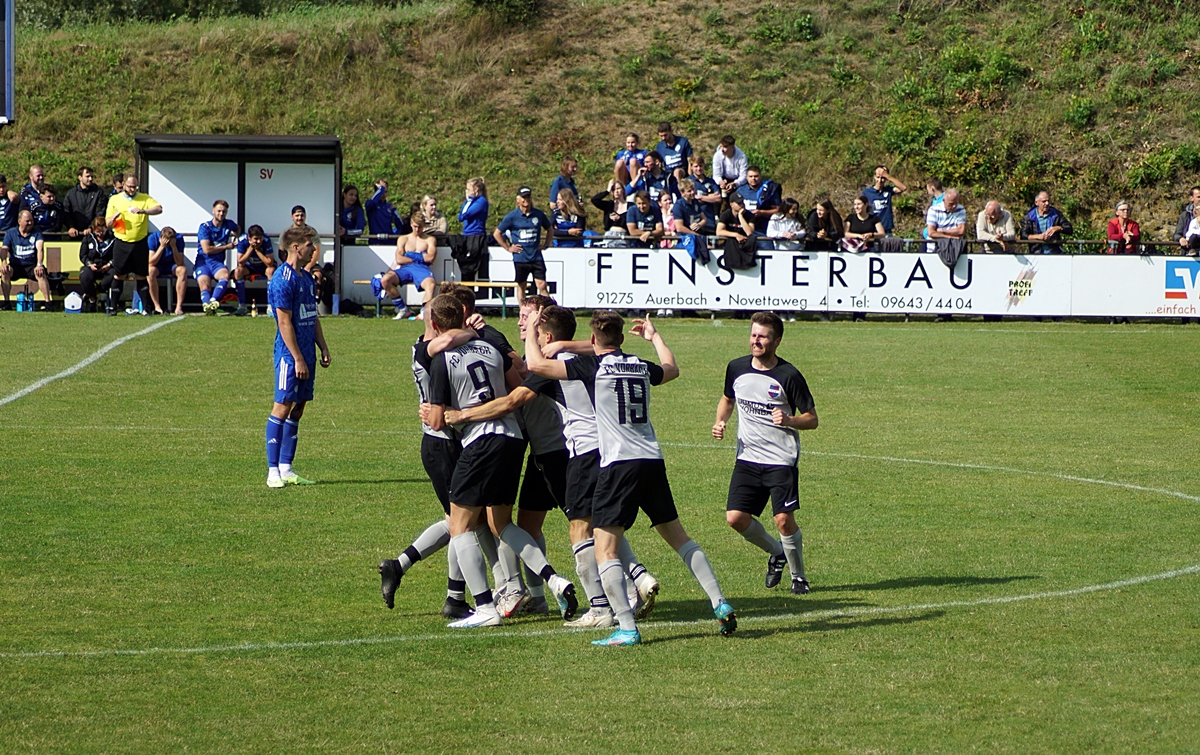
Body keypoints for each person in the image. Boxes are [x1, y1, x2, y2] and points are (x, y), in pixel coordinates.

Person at [524, 309, 738, 646]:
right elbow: (671, 369)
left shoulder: (591, 366)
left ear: (592, 339)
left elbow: (535, 366)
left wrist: (532, 331)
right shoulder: (639, 363)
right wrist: (655, 338)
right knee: (680, 538)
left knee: (604, 548)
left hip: (618, 465)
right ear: (623, 339)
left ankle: (626, 627)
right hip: (652, 459)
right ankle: (719, 601)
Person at [441, 304, 660, 627]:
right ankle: (537, 593)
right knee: (537, 524)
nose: (521, 324)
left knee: (585, 525)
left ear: (545, 333)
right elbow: (605, 344)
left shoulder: (553, 368)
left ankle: (622, 591)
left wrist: (463, 415)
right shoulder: (589, 359)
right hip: (562, 454)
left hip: (565, 455)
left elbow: (513, 399)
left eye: (526, 320)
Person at [422, 294, 579, 628]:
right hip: (514, 439)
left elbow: (437, 420)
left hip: (481, 440)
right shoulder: (491, 348)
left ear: (435, 325)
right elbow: (517, 389)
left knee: (460, 524)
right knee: (501, 523)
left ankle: (484, 606)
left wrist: (439, 412)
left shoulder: (441, 359)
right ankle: (554, 580)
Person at [712, 312, 817, 595]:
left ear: (777, 341)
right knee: (735, 518)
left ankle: (799, 577)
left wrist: (789, 420)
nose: (756, 341)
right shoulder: (736, 368)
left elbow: (812, 418)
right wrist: (720, 420)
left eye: (763, 336)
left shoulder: (789, 375)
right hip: (747, 457)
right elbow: (727, 399)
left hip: (780, 460)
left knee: (783, 519)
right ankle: (777, 552)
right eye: (753, 335)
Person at [265, 224, 331, 488]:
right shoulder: (283, 279)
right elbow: (284, 323)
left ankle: (287, 467)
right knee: (282, 407)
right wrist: (298, 358)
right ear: (295, 247)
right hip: (289, 357)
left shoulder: (305, 278)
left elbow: (312, 316)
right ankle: (272, 472)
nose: (313, 249)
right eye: (309, 244)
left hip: (307, 354)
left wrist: (323, 346)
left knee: (299, 407)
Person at [105, 175, 161, 316]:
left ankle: (146, 308)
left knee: (141, 276)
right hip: (121, 242)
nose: (132, 189)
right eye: (129, 186)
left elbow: (159, 209)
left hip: (139, 243)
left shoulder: (144, 198)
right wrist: (113, 218)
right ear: (123, 184)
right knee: (119, 275)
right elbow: (107, 223)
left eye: (134, 186)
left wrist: (144, 211)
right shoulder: (115, 199)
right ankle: (113, 308)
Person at [377, 210, 438, 319]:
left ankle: (424, 311)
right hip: (406, 269)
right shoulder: (403, 239)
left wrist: (410, 256)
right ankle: (402, 308)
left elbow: (430, 258)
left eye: (419, 227)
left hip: (421, 269)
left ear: (424, 225)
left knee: (431, 284)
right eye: (415, 226)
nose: (417, 229)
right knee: (385, 279)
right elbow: (399, 259)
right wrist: (419, 257)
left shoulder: (429, 239)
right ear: (411, 224)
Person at [494, 186, 552, 297]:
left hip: (536, 256)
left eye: (528, 196)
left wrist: (546, 244)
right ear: (518, 199)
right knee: (521, 285)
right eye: (523, 197)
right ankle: (522, 311)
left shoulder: (538, 215)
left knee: (542, 285)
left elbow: (549, 229)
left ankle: (548, 310)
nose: (526, 199)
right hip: (521, 257)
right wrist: (508, 247)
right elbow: (497, 233)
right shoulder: (512, 216)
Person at [195, 199, 240, 315]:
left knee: (225, 275)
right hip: (203, 262)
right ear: (213, 211)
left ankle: (213, 302)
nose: (221, 214)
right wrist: (227, 246)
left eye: (224, 212)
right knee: (205, 285)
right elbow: (207, 250)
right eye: (219, 211)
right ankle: (206, 305)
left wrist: (236, 237)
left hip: (217, 263)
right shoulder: (205, 227)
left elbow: (237, 228)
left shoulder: (228, 224)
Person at [1, 210, 50, 309]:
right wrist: (4, 263)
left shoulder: (36, 232)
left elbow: (40, 248)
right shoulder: (11, 233)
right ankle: (6, 302)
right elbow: (4, 249)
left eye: (31, 221)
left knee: (40, 273)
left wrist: (39, 264)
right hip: (15, 265)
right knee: (5, 271)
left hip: (31, 265)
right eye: (27, 221)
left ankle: (48, 303)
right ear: (19, 221)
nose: (30, 223)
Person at [452, 177, 490, 282]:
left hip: (476, 236)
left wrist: (468, 201)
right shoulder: (471, 201)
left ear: (476, 189)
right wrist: (468, 201)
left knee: (472, 267)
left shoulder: (481, 202)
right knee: (466, 268)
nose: (466, 192)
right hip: (467, 235)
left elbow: (464, 215)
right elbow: (460, 217)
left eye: (468, 189)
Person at [234, 225, 277, 313]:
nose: (258, 241)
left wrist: (257, 250)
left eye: (260, 238)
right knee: (238, 271)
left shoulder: (266, 240)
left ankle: (270, 306)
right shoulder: (242, 240)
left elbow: (269, 262)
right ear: (249, 237)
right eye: (256, 239)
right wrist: (250, 249)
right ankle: (242, 306)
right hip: (250, 267)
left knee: (271, 271)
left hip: (263, 266)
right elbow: (240, 262)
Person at [147, 226, 187, 316]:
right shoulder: (152, 238)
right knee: (150, 272)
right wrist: (161, 247)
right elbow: (151, 262)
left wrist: (173, 247)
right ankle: (157, 306)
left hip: (172, 265)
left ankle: (179, 307)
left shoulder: (179, 239)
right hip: (158, 264)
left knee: (183, 271)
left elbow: (180, 262)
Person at [78, 217, 116, 313]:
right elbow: (83, 255)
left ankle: (95, 292)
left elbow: (117, 255)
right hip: (92, 266)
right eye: (97, 232)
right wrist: (90, 264)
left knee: (114, 274)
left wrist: (109, 264)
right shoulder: (88, 238)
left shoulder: (113, 238)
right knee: (85, 275)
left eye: (102, 232)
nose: (100, 234)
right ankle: (92, 299)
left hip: (107, 267)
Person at [735, 167, 781, 238]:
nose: (753, 178)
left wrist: (761, 212)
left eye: (756, 176)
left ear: (760, 176)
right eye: (750, 176)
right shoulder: (740, 191)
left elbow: (778, 210)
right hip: (744, 229)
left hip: (763, 230)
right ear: (746, 177)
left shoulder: (769, 190)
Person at [861, 165, 908, 235]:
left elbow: (903, 188)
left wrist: (888, 176)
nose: (880, 180)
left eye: (883, 178)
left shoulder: (888, 190)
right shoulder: (866, 192)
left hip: (887, 229)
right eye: (878, 177)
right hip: (873, 230)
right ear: (874, 177)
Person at [63, 166, 107, 238]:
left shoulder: (98, 193)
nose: (90, 179)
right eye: (87, 176)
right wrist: (71, 227)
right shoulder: (71, 194)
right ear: (80, 177)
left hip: (93, 234)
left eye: (92, 176)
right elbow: (66, 212)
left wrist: (91, 227)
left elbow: (100, 212)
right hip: (75, 234)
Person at [686, 155, 723, 230]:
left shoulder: (710, 181)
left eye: (701, 166)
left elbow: (718, 199)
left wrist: (700, 197)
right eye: (696, 166)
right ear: (691, 167)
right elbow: (690, 199)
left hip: (709, 220)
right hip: (694, 222)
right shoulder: (688, 181)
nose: (699, 168)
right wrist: (709, 197)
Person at [1172, 187, 1200, 253]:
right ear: (1191, 198)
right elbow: (1177, 234)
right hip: (1188, 253)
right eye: (1199, 197)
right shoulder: (1185, 216)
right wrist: (1181, 239)